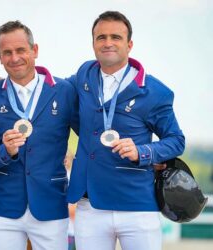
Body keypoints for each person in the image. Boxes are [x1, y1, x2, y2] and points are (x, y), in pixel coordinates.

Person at [66, 11, 185, 250]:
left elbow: (176, 140)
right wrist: (3, 84)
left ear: (129, 44)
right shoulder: (83, 76)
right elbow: (50, 91)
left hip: (137, 207)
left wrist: (142, 151)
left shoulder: (155, 91)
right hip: (90, 207)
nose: (108, 43)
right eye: (101, 37)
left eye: (115, 37)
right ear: (93, 43)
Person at [0, 20, 79, 250]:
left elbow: (91, 135)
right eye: (7, 52)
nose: (14, 58)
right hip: (4, 211)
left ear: (35, 50)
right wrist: (4, 151)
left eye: (21, 50)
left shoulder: (65, 91)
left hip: (51, 206)